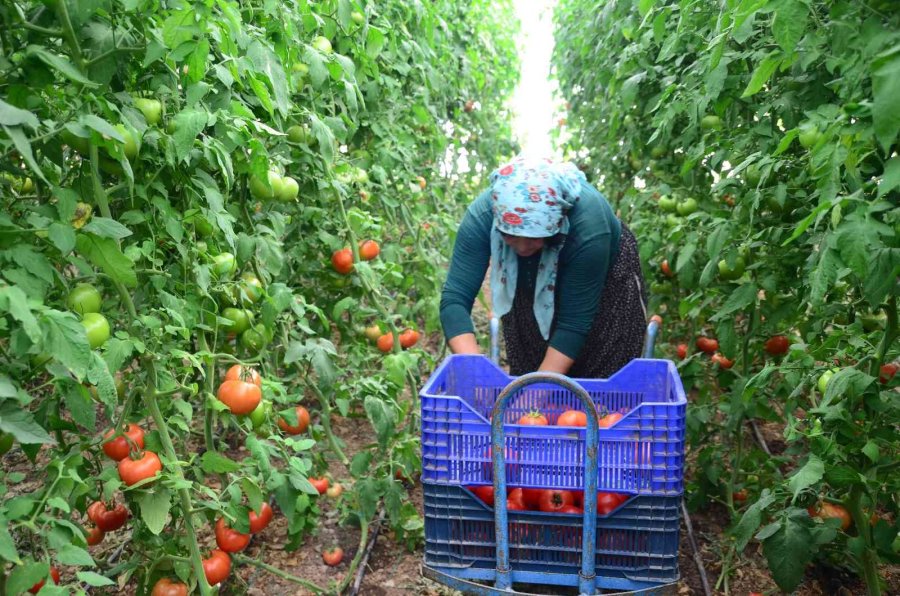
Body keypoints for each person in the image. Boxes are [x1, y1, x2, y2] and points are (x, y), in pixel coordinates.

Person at [439, 155, 647, 378]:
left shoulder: (589, 226)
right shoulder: (484, 215)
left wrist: (535, 395)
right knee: (530, 356)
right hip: (531, 276)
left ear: (558, 223)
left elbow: (574, 324)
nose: (522, 248)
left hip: (605, 287)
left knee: (602, 376)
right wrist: (475, 375)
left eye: (534, 237)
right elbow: (455, 300)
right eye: (509, 236)